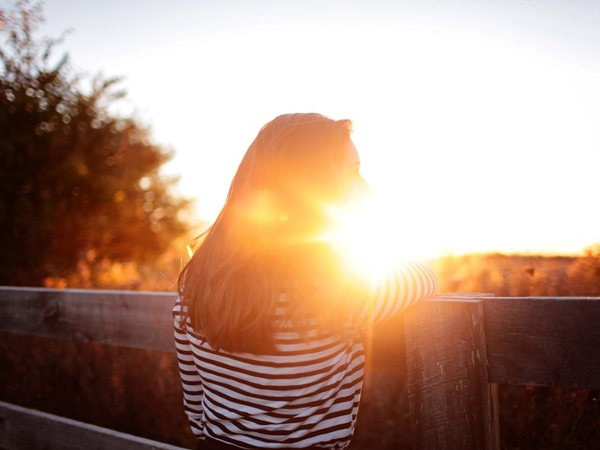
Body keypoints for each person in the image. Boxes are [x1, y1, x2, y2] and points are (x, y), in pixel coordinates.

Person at [173, 113, 438, 449]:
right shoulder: (336, 288)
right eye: (354, 172)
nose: (367, 187)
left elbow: (195, 405)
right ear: (314, 185)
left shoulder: (196, 282)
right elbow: (426, 277)